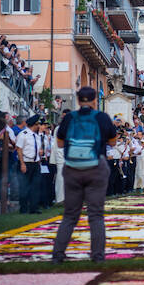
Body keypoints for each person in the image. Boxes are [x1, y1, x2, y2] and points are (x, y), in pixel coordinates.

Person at [52, 87, 117, 263]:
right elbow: (113, 141)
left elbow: (59, 143)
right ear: (95, 100)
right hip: (95, 166)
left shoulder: (70, 118)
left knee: (70, 215)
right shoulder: (102, 117)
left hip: (72, 168)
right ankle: (97, 256)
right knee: (95, 214)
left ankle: (58, 255)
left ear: (79, 101)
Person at [16, 115, 43, 214]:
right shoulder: (23, 134)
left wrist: (39, 155)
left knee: (35, 186)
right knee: (24, 186)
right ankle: (23, 208)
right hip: (26, 162)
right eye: (38, 124)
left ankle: (33, 207)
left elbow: (37, 148)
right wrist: (22, 164)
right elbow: (19, 149)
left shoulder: (36, 136)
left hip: (35, 163)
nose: (39, 126)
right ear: (34, 125)